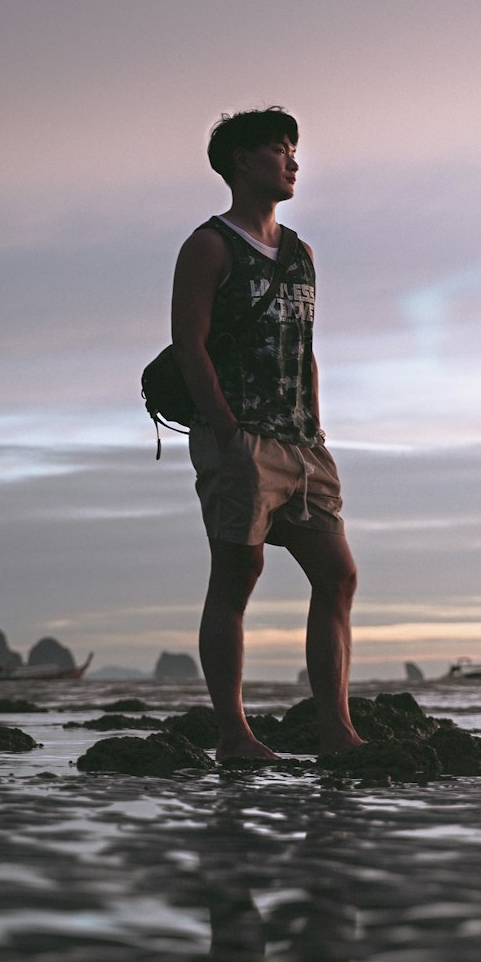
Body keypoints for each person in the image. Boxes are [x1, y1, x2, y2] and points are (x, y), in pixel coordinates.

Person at [171, 107, 364, 760]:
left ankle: (336, 731)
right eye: (279, 150)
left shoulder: (300, 253)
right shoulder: (209, 245)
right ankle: (234, 734)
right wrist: (227, 433)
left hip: (303, 442)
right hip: (241, 436)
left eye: (294, 151)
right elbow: (188, 345)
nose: (293, 162)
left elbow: (305, 347)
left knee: (337, 575)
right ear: (241, 162)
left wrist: (314, 426)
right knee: (237, 574)